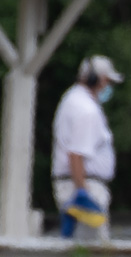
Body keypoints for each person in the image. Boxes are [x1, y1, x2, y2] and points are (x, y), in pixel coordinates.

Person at [51, 55, 122, 240]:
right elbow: (76, 154)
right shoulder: (86, 109)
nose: (108, 87)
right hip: (84, 185)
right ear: (95, 79)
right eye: (107, 81)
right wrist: (82, 193)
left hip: (75, 183)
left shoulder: (71, 99)